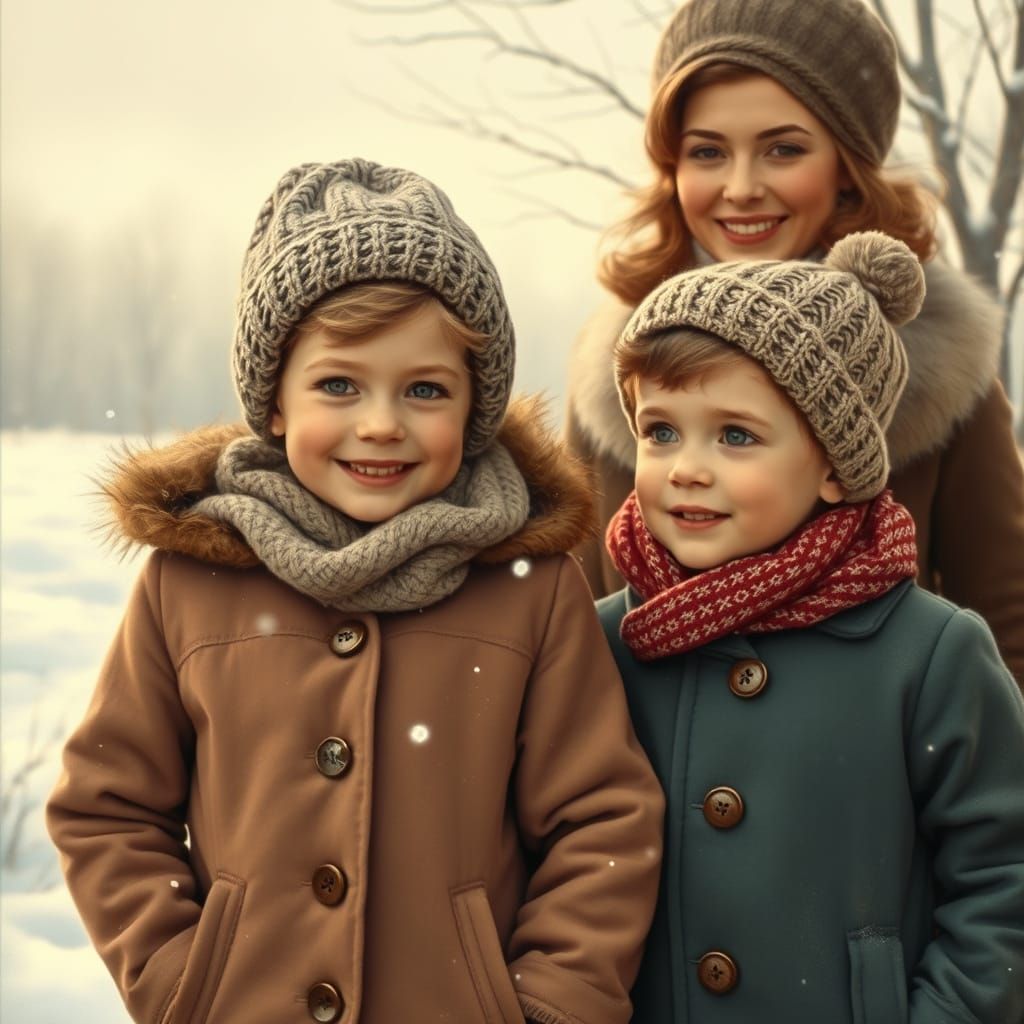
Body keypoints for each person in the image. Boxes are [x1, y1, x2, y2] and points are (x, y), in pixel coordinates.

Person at [46, 159, 665, 1024]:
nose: (382, 423)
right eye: (339, 384)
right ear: (274, 402)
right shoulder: (191, 581)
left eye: (425, 389)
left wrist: (552, 1005)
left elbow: (602, 820)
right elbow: (106, 805)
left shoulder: (527, 587)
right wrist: (184, 983)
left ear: (474, 406)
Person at [597, 230, 1024, 1023]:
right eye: (660, 431)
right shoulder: (598, 647)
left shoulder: (929, 655)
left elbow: (1004, 879)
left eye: (735, 435)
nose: (687, 466)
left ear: (835, 465)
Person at [566, 0, 1024, 684]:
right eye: (707, 152)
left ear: (847, 163)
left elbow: (1009, 625)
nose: (742, 189)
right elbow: (567, 638)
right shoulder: (617, 376)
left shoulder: (941, 375)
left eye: (783, 149)